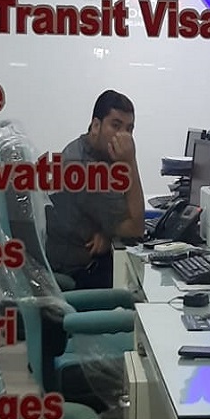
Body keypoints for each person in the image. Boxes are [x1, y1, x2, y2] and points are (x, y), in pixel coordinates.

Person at [46, 90, 145, 289]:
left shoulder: (91, 153)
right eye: (116, 126)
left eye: (129, 129)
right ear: (96, 126)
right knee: (143, 285)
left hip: (82, 261)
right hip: (80, 273)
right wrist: (130, 160)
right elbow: (136, 227)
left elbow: (121, 217)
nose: (123, 136)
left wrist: (107, 233)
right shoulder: (84, 167)